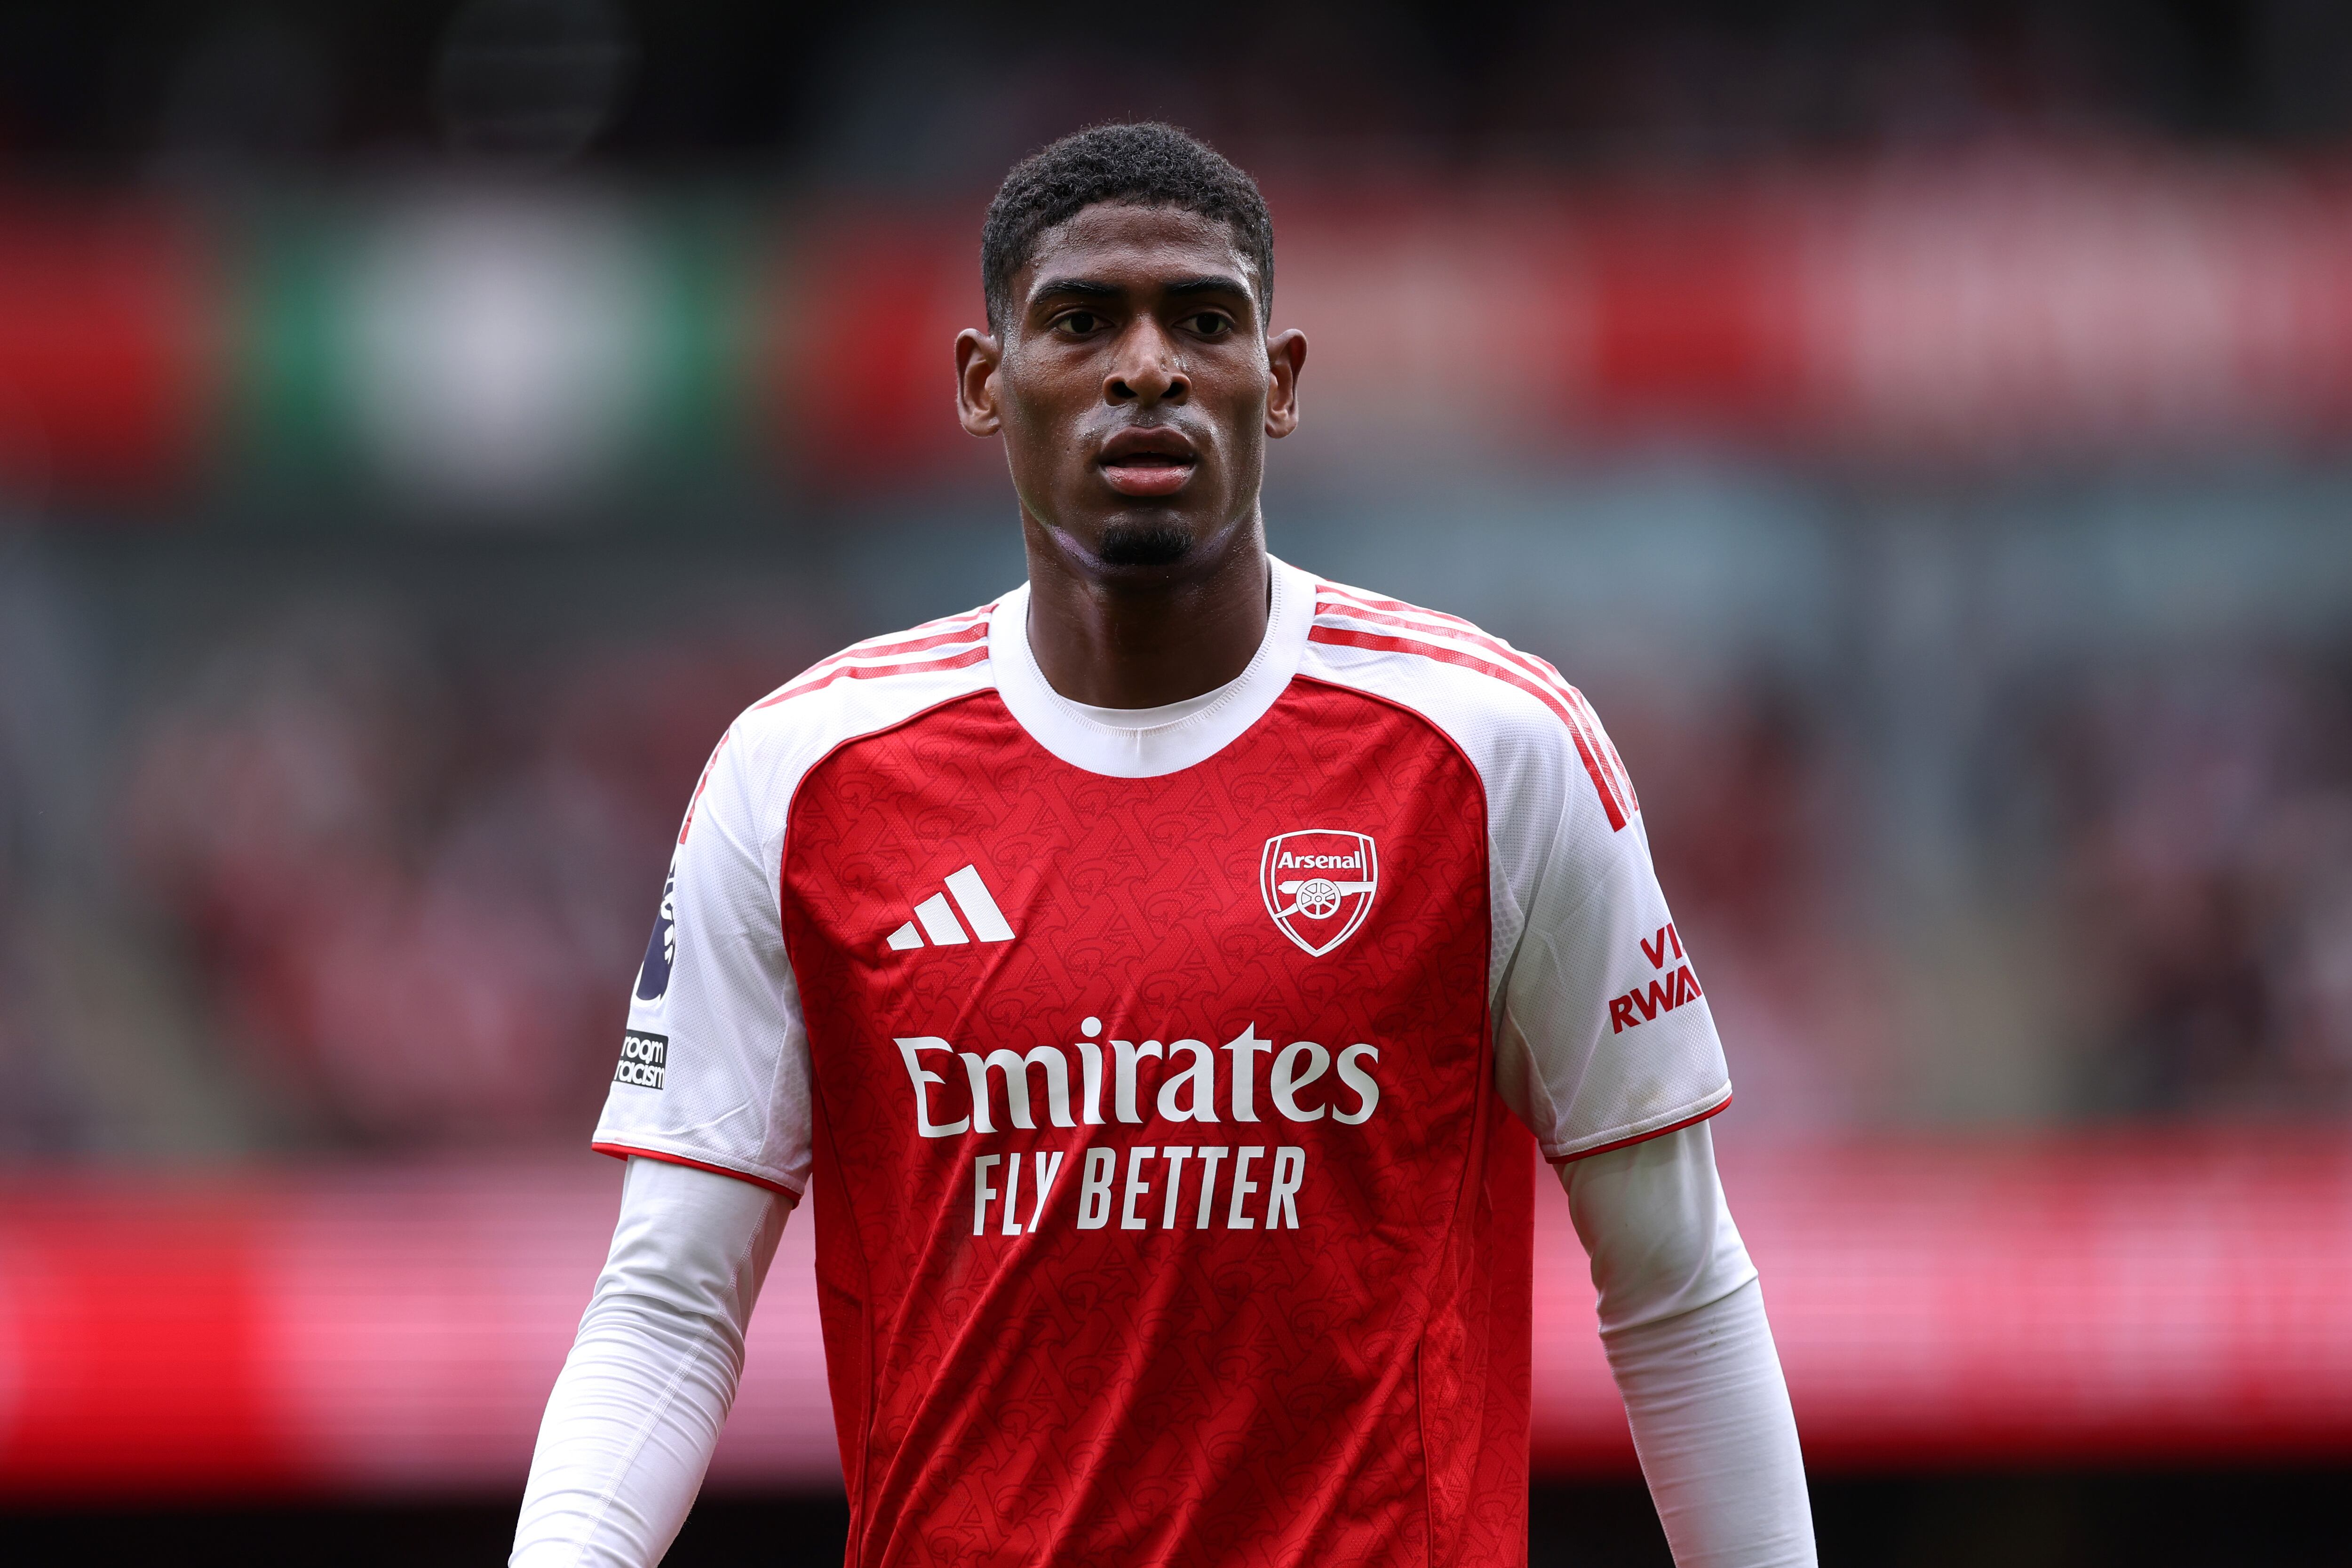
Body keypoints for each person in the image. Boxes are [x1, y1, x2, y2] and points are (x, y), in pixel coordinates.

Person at [512, 122, 1813, 1568]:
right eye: (1082, 321)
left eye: (1204, 320)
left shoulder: (1495, 750)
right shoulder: (804, 776)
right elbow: (669, 1303)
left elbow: (1680, 1288)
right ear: (981, 382)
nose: (1148, 366)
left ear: (1284, 381)